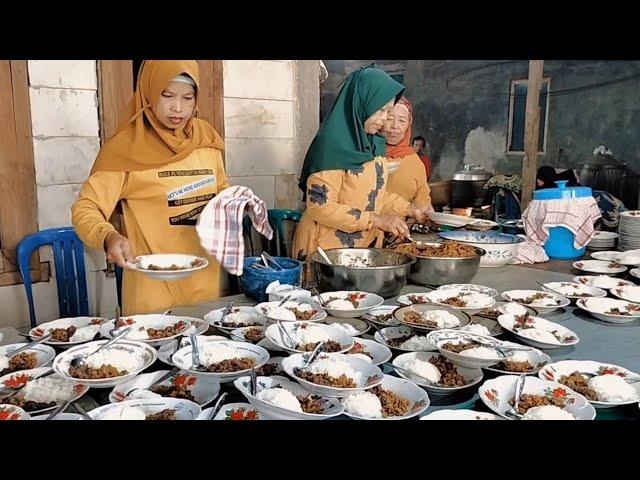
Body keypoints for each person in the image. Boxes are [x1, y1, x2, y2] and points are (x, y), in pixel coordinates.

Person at [72, 60, 229, 315]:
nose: (177, 108)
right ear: (148, 92)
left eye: (188, 98)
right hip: (152, 289)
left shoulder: (206, 140)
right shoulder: (126, 149)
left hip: (205, 282)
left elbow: (220, 188)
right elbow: (86, 207)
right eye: (166, 95)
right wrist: (108, 235)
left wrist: (232, 208)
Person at [293, 65, 431, 261]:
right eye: (381, 110)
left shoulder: (373, 142)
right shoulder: (331, 145)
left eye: (388, 111)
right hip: (325, 250)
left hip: (363, 249)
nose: (384, 120)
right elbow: (320, 207)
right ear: (362, 102)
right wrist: (375, 220)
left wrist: (409, 209)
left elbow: (375, 195)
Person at [382, 96, 433, 208]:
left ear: (409, 124)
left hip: (403, 224)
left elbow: (423, 198)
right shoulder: (364, 154)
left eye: (402, 120)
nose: (395, 126)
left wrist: (423, 209)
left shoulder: (414, 161)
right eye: (389, 119)